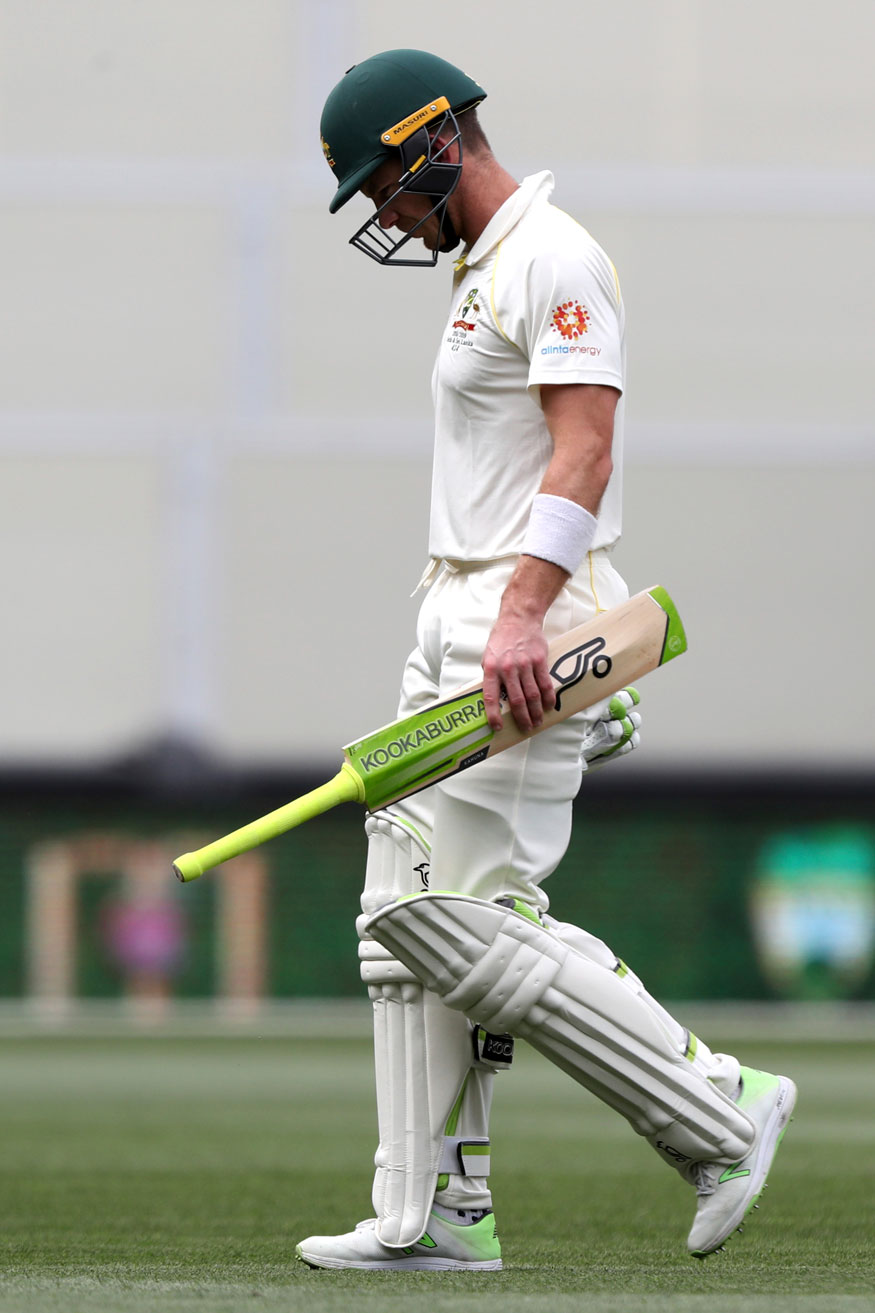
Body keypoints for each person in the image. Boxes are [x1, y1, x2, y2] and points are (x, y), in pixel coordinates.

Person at [296, 49, 796, 1272]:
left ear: (435, 144)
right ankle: (432, 1212)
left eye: (380, 183)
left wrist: (530, 617)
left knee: (455, 912)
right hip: (462, 611)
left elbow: (584, 452)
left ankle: (717, 1104)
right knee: (394, 925)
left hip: (510, 623)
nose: (381, 212)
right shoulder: (486, 269)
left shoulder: (552, 257)